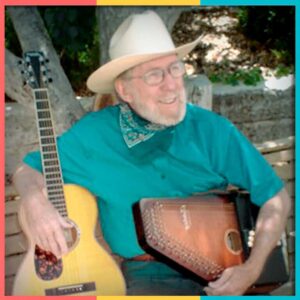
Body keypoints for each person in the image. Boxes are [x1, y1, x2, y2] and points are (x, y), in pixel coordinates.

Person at [13, 10, 291, 296]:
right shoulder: (94, 136)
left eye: (174, 68)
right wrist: (35, 202)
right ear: (125, 90)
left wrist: (251, 270)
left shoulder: (211, 129)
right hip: (151, 274)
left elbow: (274, 197)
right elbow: (28, 170)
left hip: (225, 267)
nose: (171, 84)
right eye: (155, 75)